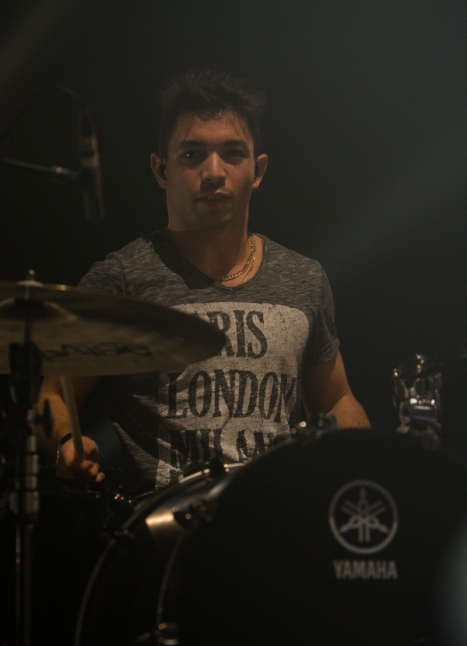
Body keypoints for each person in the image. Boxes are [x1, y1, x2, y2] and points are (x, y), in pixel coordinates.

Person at [38, 69, 370, 497]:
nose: (214, 172)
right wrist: (65, 442)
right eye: (193, 154)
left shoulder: (305, 278)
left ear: (258, 170)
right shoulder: (121, 279)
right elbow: (52, 396)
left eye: (233, 153)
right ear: (161, 170)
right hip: (168, 526)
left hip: (278, 516)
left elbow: (337, 400)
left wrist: (365, 459)